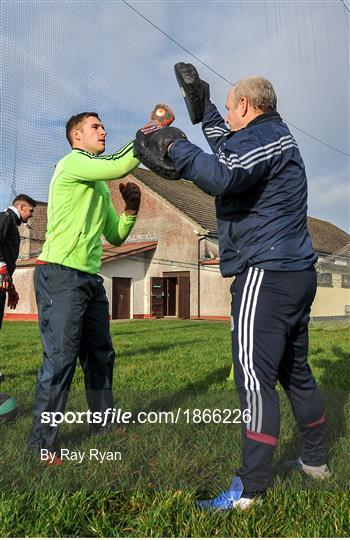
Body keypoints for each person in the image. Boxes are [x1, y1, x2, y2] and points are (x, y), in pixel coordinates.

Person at [165, 75, 329, 508]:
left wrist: (172, 148)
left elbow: (223, 172)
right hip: (294, 272)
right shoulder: (270, 136)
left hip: (267, 273)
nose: (227, 114)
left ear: (244, 104)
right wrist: (206, 112)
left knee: (254, 379)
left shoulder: (265, 136)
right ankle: (315, 461)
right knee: (295, 373)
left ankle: (249, 489)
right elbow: (228, 149)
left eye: (226, 105)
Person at [28, 112, 143, 464]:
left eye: (104, 126)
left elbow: (116, 235)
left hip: (90, 279)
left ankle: (104, 422)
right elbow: (119, 164)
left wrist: (131, 209)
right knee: (60, 360)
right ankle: (41, 444)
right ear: (77, 137)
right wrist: (149, 134)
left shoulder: (98, 189)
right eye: (96, 127)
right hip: (60, 274)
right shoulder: (72, 164)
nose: (104, 130)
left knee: (100, 355)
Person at [0, 194, 36, 327]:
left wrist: (10, 288)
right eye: (31, 210)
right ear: (21, 207)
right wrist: (2, 270)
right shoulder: (6, 217)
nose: (31, 215)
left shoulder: (12, 224)